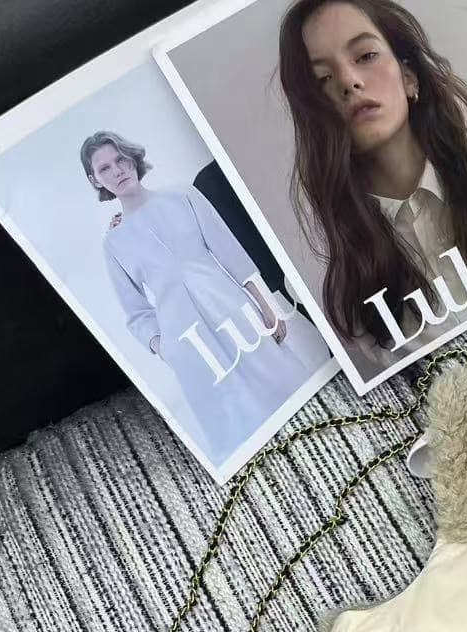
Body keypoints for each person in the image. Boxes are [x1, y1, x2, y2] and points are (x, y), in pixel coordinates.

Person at [278, 0, 467, 372]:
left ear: (409, 77)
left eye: (366, 56)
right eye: (323, 79)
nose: (349, 82)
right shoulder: (354, 294)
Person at [82, 130, 328, 464]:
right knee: (238, 427)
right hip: (189, 343)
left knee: (286, 387)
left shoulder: (183, 195)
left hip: (233, 312)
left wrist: (265, 304)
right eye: (104, 168)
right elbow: (136, 312)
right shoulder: (114, 242)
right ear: (95, 180)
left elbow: (229, 252)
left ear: (132, 158)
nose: (117, 171)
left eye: (120, 159)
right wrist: (166, 349)